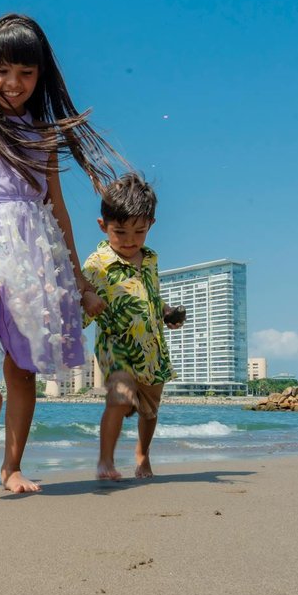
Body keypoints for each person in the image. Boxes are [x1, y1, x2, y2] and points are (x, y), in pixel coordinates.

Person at [0, 13, 123, 493]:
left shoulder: (43, 132)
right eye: (3, 71)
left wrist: (77, 277)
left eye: (26, 74)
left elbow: (56, 208)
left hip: (35, 249)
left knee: (23, 366)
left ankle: (11, 466)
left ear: (41, 75)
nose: (14, 84)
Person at [82, 173, 185, 481]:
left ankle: (143, 455)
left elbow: (151, 295)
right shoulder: (97, 262)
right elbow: (81, 292)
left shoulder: (151, 259)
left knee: (150, 410)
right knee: (121, 396)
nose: (129, 240)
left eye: (139, 231)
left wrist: (167, 312)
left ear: (151, 225)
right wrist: (87, 299)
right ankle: (105, 461)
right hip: (117, 346)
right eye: (120, 231)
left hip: (153, 349)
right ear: (103, 226)